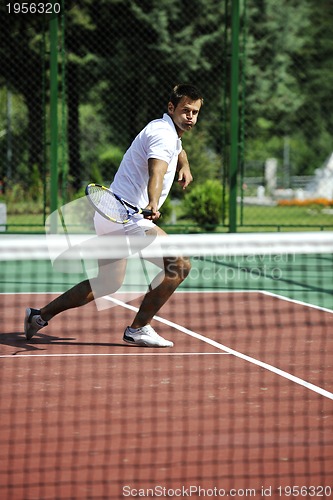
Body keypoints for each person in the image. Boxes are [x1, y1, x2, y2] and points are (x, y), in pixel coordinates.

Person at [24, 83, 204, 347]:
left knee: (106, 283)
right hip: (130, 216)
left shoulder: (165, 130)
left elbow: (178, 150)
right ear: (171, 108)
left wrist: (185, 165)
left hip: (110, 214)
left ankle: (39, 316)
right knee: (179, 265)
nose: (191, 116)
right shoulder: (163, 136)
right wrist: (154, 202)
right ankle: (138, 328)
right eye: (186, 110)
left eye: (195, 112)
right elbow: (157, 170)